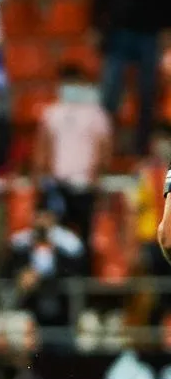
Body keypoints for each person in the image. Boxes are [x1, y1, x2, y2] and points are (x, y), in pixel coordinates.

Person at [33, 64, 112, 258]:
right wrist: (41, 180)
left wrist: (97, 178)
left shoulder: (96, 114)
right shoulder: (52, 113)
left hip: (85, 186)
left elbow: (104, 149)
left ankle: (83, 280)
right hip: (58, 185)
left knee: (85, 238)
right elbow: (43, 148)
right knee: (57, 238)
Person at [92, 0, 170, 155]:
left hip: (150, 33)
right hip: (118, 31)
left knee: (148, 94)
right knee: (109, 96)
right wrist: (96, 25)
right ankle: (105, 148)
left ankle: (141, 149)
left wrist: (167, 28)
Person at [8, 206, 86, 334]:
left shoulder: (68, 244)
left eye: (46, 218)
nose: (42, 223)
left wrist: (43, 277)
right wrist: (21, 273)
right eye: (39, 218)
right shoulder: (20, 245)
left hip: (59, 300)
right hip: (29, 301)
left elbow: (77, 270)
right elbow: (10, 270)